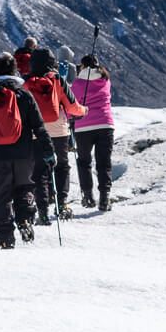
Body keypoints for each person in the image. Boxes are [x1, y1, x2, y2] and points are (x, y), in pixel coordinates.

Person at [0, 52, 55, 249]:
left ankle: (5, 238)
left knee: (1, 195)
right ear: (15, 72)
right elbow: (38, 126)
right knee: (25, 187)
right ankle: (25, 219)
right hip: (23, 154)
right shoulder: (24, 95)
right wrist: (48, 151)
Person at [22, 48, 87, 224]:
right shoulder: (58, 80)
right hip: (60, 132)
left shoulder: (27, 84)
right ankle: (62, 205)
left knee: (39, 173)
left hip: (37, 134)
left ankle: (42, 212)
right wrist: (84, 111)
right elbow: (72, 106)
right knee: (62, 167)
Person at [71, 54, 114, 212]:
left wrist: (70, 120)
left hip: (83, 127)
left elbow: (73, 105)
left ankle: (88, 196)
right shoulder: (105, 80)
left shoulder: (78, 84)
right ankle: (105, 198)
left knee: (84, 162)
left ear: (83, 67)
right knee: (104, 162)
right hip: (105, 124)